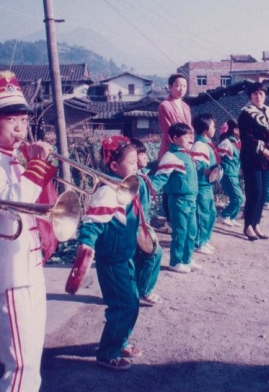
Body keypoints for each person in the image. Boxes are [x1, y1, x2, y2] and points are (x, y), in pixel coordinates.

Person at [0, 71, 57, 392]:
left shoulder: (15, 159)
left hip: (29, 269)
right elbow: (14, 204)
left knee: (32, 362)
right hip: (8, 275)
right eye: (10, 120)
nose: (20, 127)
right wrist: (37, 166)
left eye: (23, 120)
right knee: (19, 367)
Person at [77, 136, 145, 371]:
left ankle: (120, 342)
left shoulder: (128, 186)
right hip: (111, 262)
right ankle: (107, 353)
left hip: (124, 258)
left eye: (137, 161)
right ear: (114, 167)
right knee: (122, 306)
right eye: (132, 161)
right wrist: (86, 244)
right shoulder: (107, 192)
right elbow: (91, 223)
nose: (137, 165)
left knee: (132, 303)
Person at [150, 123, 199, 273]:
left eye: (191, 135)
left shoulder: (187, 155)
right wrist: (146, 189)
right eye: (186, 136)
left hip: (192, 200)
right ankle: (175, 261)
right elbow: (159, 179)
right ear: (175, 138)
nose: (191, 138)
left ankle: (186, 259)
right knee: (180, 231)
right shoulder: (170, 156)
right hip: (179, 201)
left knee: (192, 231)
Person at [238, 82, 269, 241]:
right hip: (252, 157)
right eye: (255, 94)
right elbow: (247, 138)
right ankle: (248, 225)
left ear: (265, 95)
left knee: (263, 193)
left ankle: (257, 224)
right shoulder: (246, 114)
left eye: (261, 93)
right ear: (250, 96)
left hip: (268, 158)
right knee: (254, 192)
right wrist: (264, 150)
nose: (258, 96)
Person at [129, 138, 163, 306]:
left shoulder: (142, 177)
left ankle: (135, 290)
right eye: (142, 153)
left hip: (141, 223)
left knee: (138, 258)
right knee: (154, 254)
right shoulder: (134, 180)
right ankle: (145, 291)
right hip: (136, 225)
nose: (146, 156)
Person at [157, 74, 192, 233]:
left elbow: (189, 128)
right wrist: (181, 144)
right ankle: (170, 221)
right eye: (178, 85)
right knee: (170, 183)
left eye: (184, 86)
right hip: (171, 147)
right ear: (170, 87)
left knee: (182, 181)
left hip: (186, 147)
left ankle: (180, 216)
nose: (181, 89)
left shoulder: (186, 107)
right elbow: (169, 130)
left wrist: (189, 144)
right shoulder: (165, 106)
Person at [191, 113, 218, 256]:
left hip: (208, 186)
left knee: (211, 213)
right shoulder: (199, 145)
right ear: (206, 129)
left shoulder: (207, 144)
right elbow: (198, 165)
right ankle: (199, 242)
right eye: (213, 126)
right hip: (201, 186)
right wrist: (207, 170)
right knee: (202, 214)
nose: (215, 128)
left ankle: (205, 239)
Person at [217, 119, 243, 227]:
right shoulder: (226, 143)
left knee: (237, 198)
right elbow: (216, 157)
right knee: (239, 198)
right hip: (228, 175)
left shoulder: (236, 142)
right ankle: (224, 215)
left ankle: (231, 217)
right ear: (236, 130)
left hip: (234, 174)